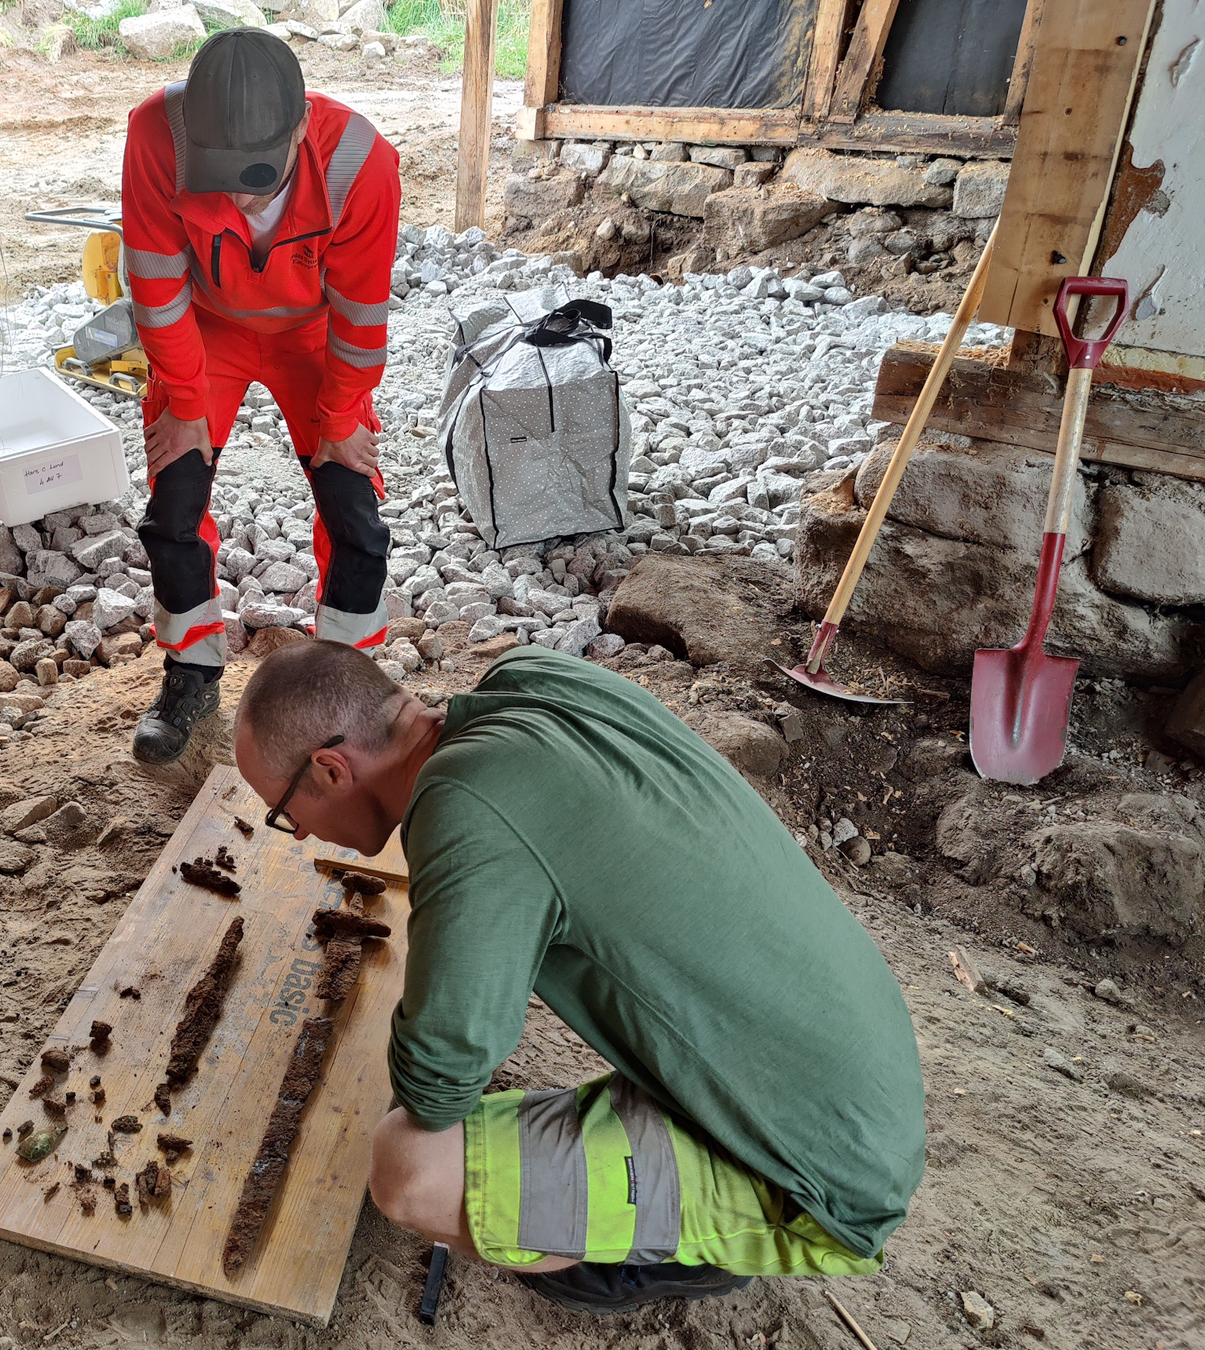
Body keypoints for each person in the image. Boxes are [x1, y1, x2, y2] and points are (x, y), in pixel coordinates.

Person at [233, 641, 926, 1315]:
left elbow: (440, 1081)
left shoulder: (465, 805)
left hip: (824, 1173)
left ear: (329, 769)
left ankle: (660, 1255)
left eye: (284, 812)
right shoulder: (531, 679)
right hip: (846, 1071)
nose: (295, 835)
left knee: (409, 1164)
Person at [119, 29, 402, 764]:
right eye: (224, 175)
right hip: (206, 334)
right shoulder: (157, 134)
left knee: (355, 512)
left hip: (314, 337)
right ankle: (192, 671)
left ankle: (347, 686)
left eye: (258, 176)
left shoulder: (358, 163)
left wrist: (341, 419)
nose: (240, 197)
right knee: (173, 503)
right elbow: (155, 283)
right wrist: (184, 401)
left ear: (301, 124)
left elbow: (362, 316)